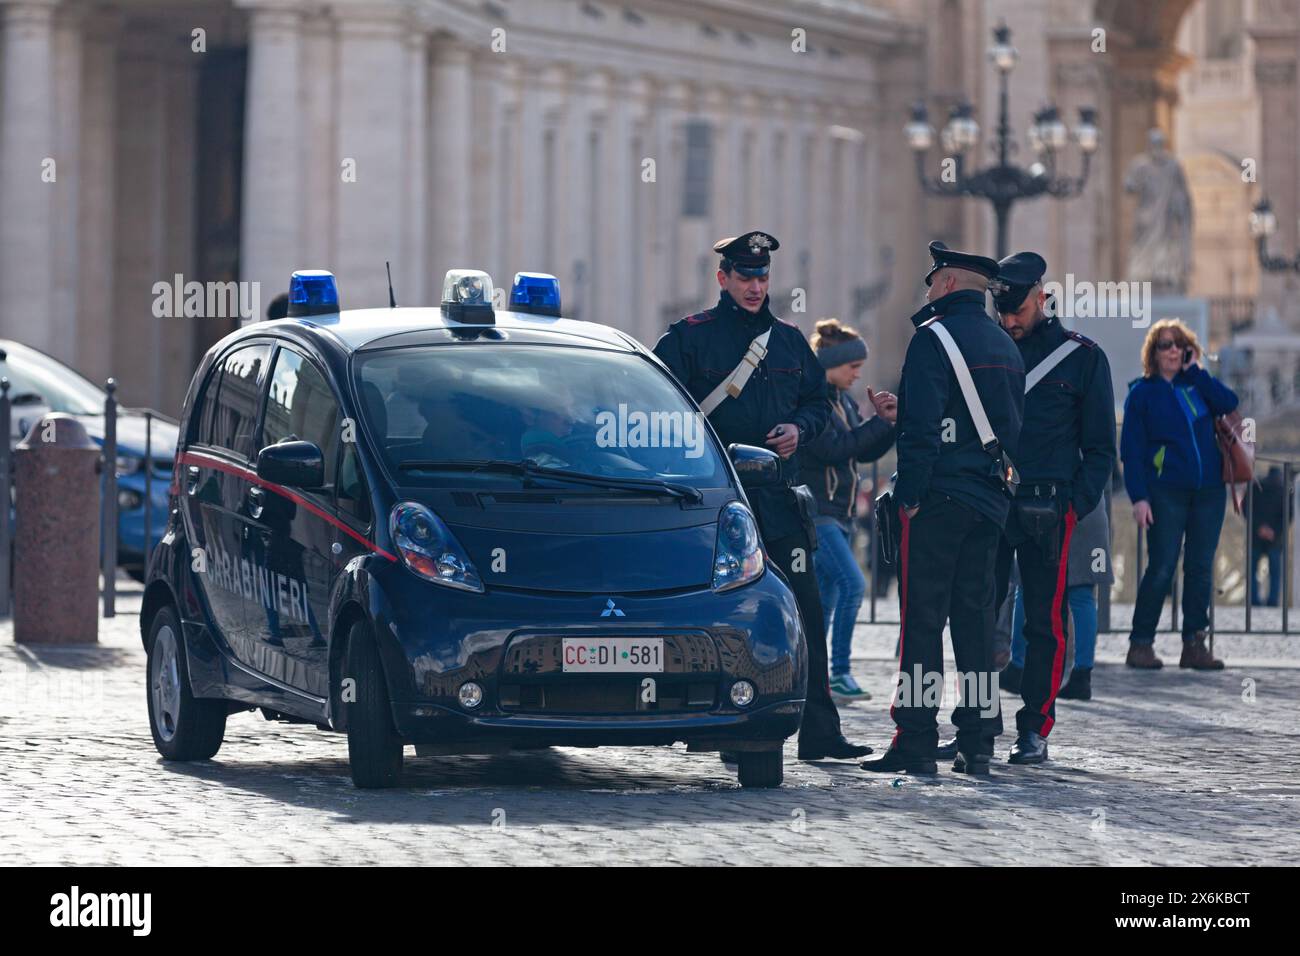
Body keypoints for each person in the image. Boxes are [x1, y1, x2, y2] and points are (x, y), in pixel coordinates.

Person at [654, 232, 871, 762]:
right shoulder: (689, 338)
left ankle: (821, 731)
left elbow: (820, 404)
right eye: (745, 276)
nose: (755, 286)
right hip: (715, 503)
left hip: (778, 501)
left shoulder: (790, 341)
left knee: (808, 615)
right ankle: (720, 725)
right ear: (722, 278)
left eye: (762, 276)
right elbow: (656, 408)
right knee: (723, 613)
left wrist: (800, 428)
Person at [861, 241, 1023, 777]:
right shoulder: (1004, 343)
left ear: (949, 284)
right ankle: (976, 740)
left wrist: (908, 498)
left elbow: (923, 432)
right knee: (976, 627)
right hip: (988, 504)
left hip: (937, 503)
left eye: (933, 281)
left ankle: (915, 736)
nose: (927, 290)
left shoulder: (932, 340)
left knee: (923, 626)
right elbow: (999, 427)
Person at [977, 251, 1115, 765]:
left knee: (1044, 622)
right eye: (1002, 312)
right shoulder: (986, 351)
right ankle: (977, 724)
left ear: (1041, 297)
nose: (1009, 322)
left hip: (1049, 509)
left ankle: (1034, 728)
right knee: (976, 617)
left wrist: (1074, 507)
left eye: (1017, 311)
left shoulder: (1082, 358)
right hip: (990, 503)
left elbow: (1100, 449)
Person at [1121, 318, 1238, 670]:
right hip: (1165, 491)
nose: (1172, 350)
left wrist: (1197, 372)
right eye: (1165, 345)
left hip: (1208, 491)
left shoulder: (1197, 386)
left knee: (1201, 567)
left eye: (1178, 345)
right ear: (1153, 353)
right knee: (1161, 566)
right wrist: (1139, 497)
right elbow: (1132, 451)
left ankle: (1194, 645)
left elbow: (1229, 401)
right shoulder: (1142, 393)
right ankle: (1140, 644)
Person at [799, 318, 897, 701]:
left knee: (826, 600)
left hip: (838, 515)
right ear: (830, 365)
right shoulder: (816, 404)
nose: (858, 373)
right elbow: (833, 449)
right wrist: (875, 424)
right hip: (818, 512)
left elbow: (860, 449)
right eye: (852, 366)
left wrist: (885, 423)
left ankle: (810, 676)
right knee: (853, 584)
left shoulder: (840, 402)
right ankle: (838, 672)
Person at [1003, 496, 1113, 702]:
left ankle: (1018, 666)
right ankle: (1082, 674)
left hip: (1047, 505)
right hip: (1089, 507)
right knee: (1082, 594)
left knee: (1027, 585)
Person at [1251, 466, 1287, 607]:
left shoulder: (1256, 487)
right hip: (1275, 538)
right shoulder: (1283, 490)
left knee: (1252, 571)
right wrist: (1274, 531)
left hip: (1256, 536)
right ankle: (1272, 601)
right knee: (1275, 573)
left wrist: (1259, 527)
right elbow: (1287, 515)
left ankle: (1254, 600)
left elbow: (1247, 508)